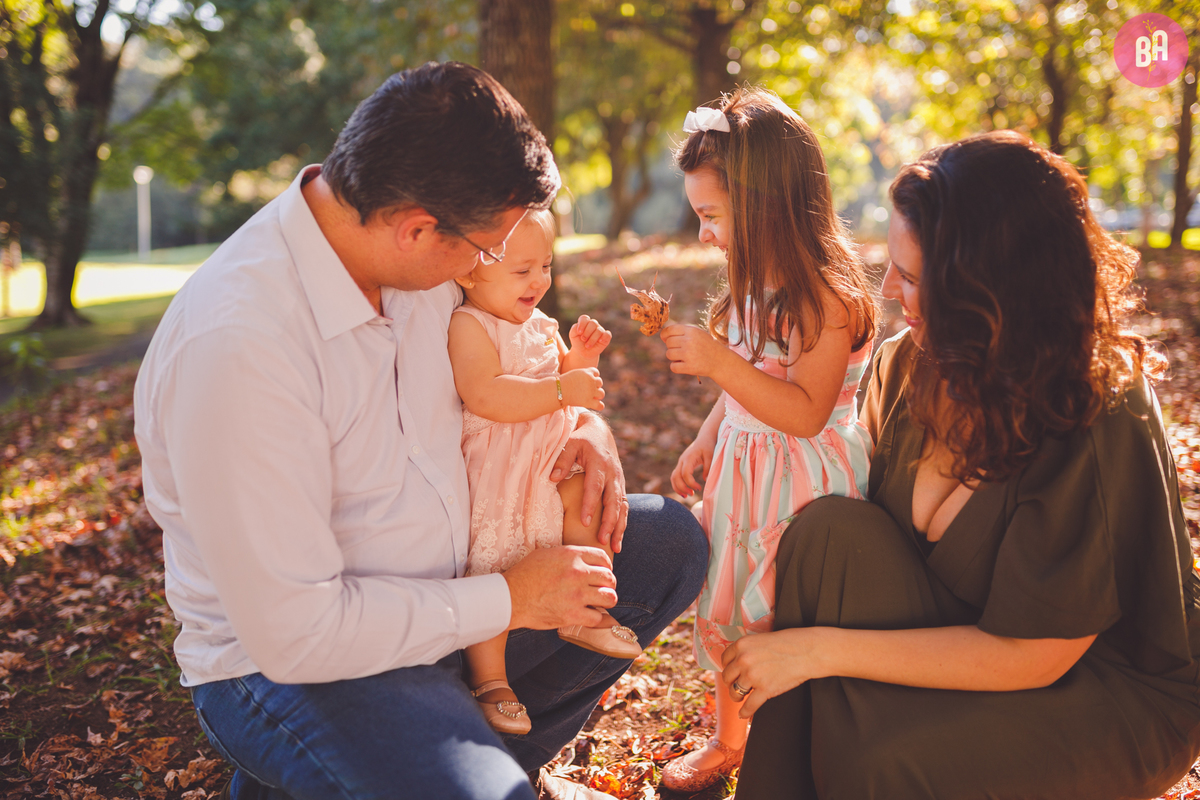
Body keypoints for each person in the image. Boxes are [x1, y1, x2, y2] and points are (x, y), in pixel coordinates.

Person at [133, 62, 707, 800]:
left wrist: (586, 424)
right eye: (487, 249)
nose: (487, 268)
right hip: (300, 666)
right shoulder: (239, 345)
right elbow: (297, 631)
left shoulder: (419, 265)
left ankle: (476, 755)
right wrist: (509, 599)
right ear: (416, 229)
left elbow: (525, 354)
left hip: (458, 594)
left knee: (666, 546)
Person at [720, 130, 1200, 799]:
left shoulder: (1096, 411)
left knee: (882, 765)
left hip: (1099, 683)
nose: (887, 289)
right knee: (826, 533)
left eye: (914, 278)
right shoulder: (906, 365)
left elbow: (1035, 653)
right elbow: (842, 530)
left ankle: (867, 761)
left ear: (991, 291)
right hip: (952, 623)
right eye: (892, 266)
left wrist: (816, 650)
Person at [657, 89, 879, 793]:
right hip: (742, 475)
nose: (705, 236)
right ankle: (729, 741)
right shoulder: (754, 286)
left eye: (712, 216)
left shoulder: (823, 298)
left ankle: (798, 744)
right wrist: (704, 438)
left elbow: (807, 412)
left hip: (800, 484)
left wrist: (720, 361)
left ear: (768, 204)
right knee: (727, 606)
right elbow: (744, 385)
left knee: (778, 611)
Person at [449, 208, 642, 736]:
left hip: (549, 462)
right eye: (522, 270)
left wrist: (580, 358)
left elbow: (573, 388)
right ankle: (490, 680)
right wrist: (563, 389)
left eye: (546, 266)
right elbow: (485, 394)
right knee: (492, 562)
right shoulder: (469, 324)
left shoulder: (541, 326)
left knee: (585, 505)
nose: (539, 280)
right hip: (499, 469)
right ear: (470, 271)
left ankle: (586, 610)